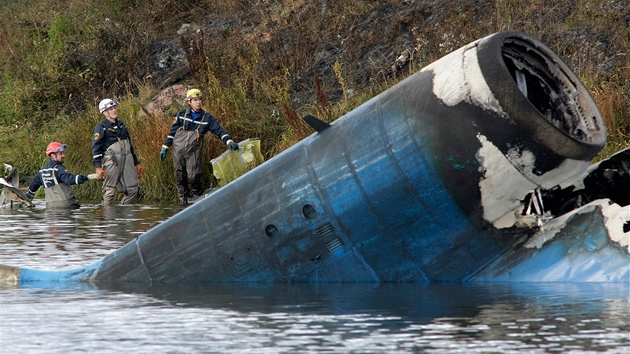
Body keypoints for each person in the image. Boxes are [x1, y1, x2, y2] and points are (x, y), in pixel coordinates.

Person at [160, 88, 239, 204]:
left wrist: (229, 141)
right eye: (195, 100)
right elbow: (172, 132)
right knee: (180, 176)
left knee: (193, 176)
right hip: (178, 150)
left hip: (194, 151)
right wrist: (165, 147)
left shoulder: (207, 118)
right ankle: (183, 201)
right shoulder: (181, 115)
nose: (198, 102)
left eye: (200, 100)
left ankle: (198, 198)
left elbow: (219, 131)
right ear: (189, 102)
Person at [92, 98, 145, 206]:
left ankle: (124, 216)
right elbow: (96, 148)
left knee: (132, 190)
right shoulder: (100, 127)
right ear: (104, 112)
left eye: (114, 107)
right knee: (109, 192)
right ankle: (106, 218)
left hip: (127, 160)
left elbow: (130, 146)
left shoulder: (122, 125)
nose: (114, 110)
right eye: (110, 109)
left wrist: (136, 163)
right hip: (112, 161)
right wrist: (98, 167)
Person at [26, 142, 104, 208]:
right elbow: (70, 179)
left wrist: (28, 197)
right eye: (60, 154)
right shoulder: (59, 169)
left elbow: (32, 188)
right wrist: (89, 177)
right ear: (53, 155)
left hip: (51, 209)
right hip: (67, 207)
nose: (64, 156)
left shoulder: (41, 172)